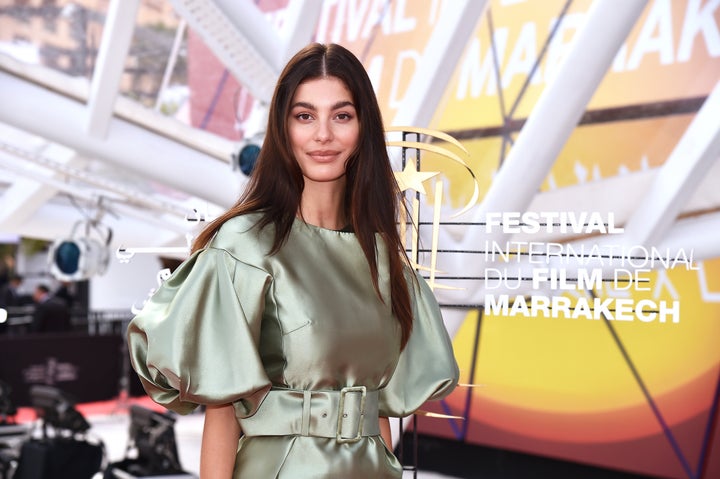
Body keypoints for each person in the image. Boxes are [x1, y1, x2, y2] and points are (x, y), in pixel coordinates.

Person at [127, 42, 459, 478]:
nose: (323, 134)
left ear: (363, 129)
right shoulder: (244, 246)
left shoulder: (383, 257)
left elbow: (376, 411)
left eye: (341, 116)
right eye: (305, 116)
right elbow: (222, 412)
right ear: (283, 129)